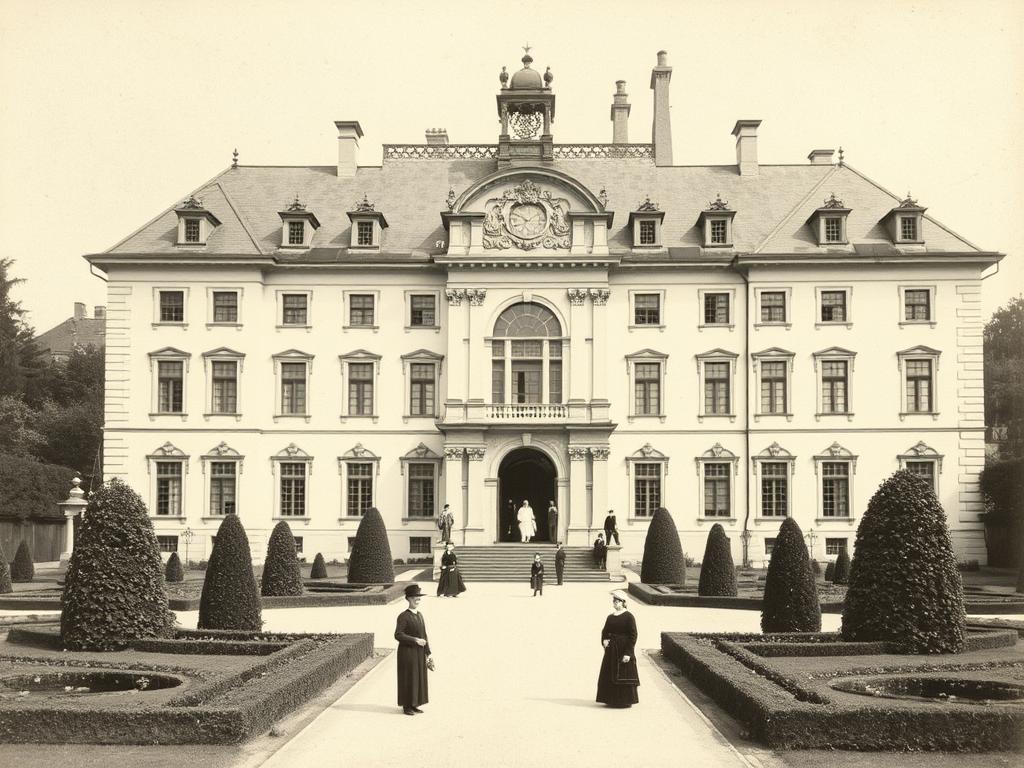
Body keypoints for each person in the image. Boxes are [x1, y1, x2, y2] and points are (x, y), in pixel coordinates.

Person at [596, 589, 639, 708]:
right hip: (611, 650)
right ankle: (610, 699)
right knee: (609, 673)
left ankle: (624, 701)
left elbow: (633, 635)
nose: (614, 603)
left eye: (617, 601)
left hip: (623, 650)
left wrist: (628, 653)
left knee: (623, 674)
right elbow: (605, 631)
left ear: (623, 602)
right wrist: (604, 640)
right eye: (614, 600)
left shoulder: (629, 617)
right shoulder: (610, 617)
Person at [395, 584, 432, 715]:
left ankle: (415, 703)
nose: (418, 599)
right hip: (407, 652)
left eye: (419, 597)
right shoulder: (403, 616)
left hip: (419, 652)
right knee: (408, 677)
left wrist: (428, 653)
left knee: (418, 677)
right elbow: (398, 634)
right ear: (409, 599)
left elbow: (424, 634)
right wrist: (415, 640)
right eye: (415, 597)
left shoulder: (420, 615)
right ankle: (407, 706)